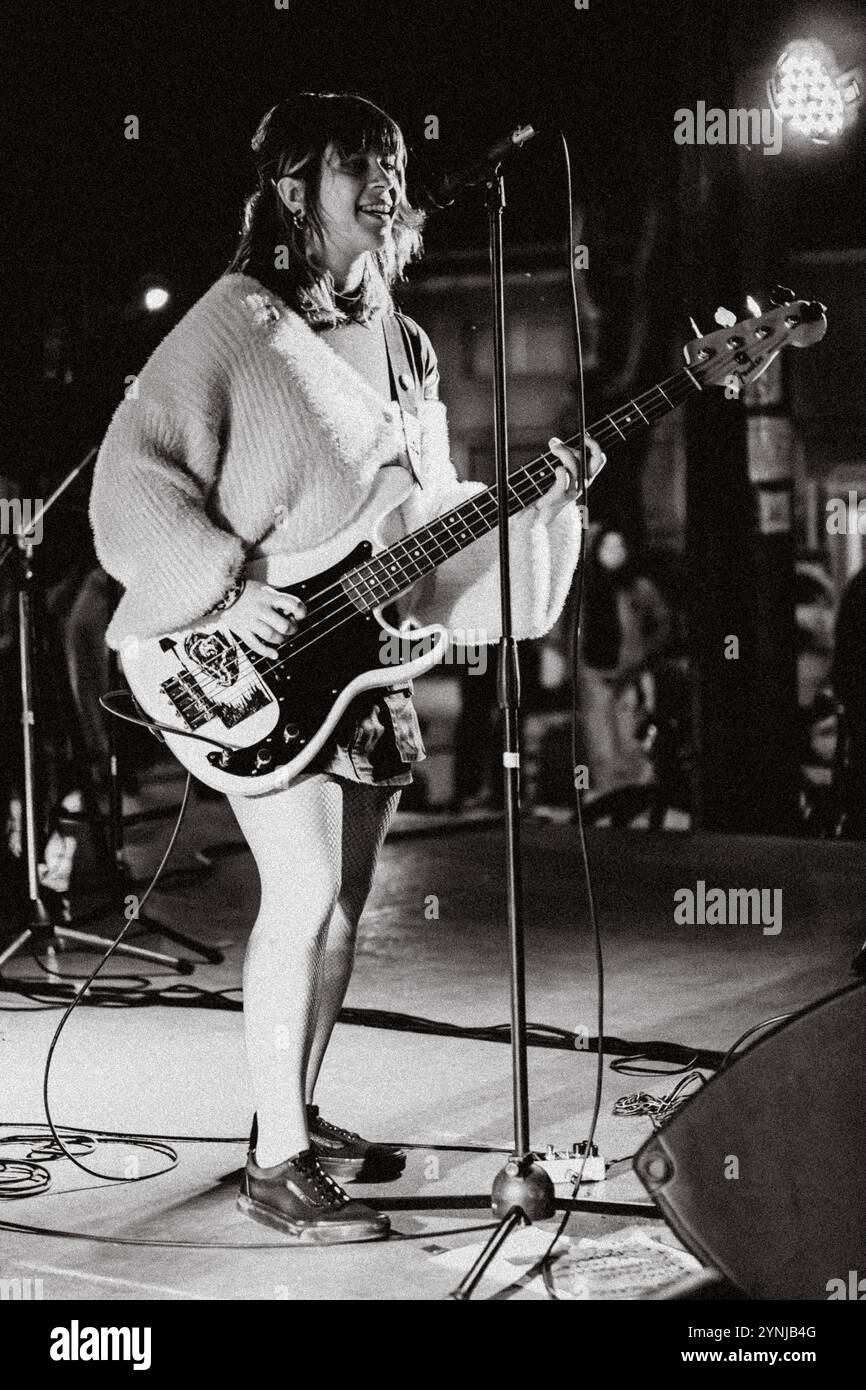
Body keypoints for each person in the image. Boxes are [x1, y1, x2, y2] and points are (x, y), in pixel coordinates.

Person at [90, 92, 602, 1244]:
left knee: (345, 909)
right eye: (355, 164)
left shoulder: (406, 336)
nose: (385, 179)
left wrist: (541, 504)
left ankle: (291, 1110)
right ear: (289, 188)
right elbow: (129, 484)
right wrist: (226, 583)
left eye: (392, 159)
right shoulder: (232, 324)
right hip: (255, 664)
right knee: (305, 893)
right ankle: (276, 1166)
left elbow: (417, 516)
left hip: (364, 668)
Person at [577, 525, 671, 796]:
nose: (614, 554)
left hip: (629, 673)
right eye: (607, 547)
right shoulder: (585, 588)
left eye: (619, 547)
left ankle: (635, 797)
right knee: (601, 743)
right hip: (594, 673)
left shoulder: (638, 588)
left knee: (632, 738)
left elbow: (663, 623)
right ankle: (610, 796)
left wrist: (644, 653)